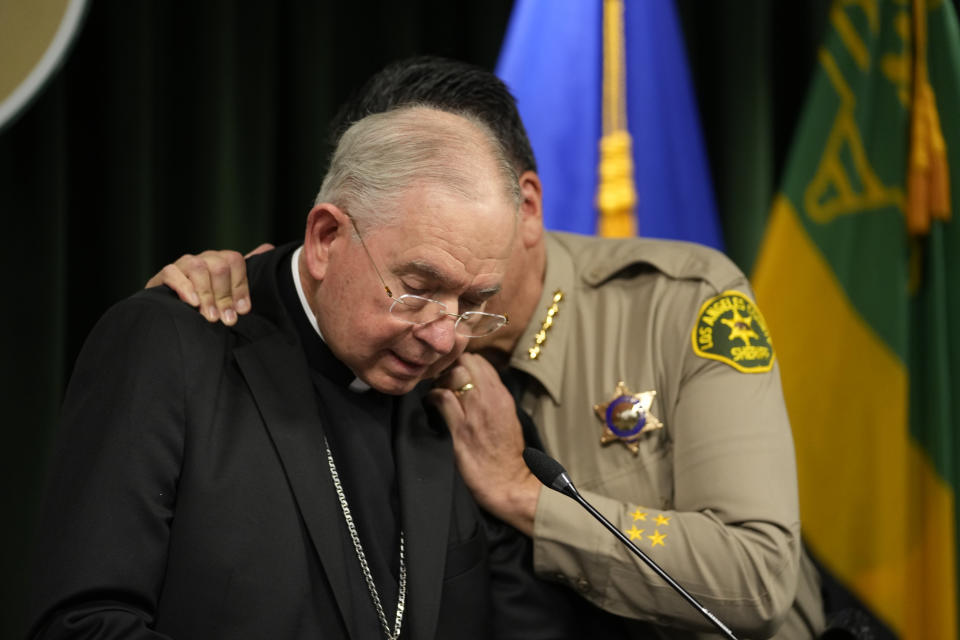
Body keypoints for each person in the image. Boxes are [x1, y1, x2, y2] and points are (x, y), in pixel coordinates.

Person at [149, 57, 826, 639]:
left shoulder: (679, 301)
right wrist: (230, 298)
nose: (440, 330)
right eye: (418, 280)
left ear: (525, 205)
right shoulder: (384, 335)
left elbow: (758, 578)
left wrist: (525, 497)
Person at [27, 105, 550, 640]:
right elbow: (81, 625)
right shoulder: (169, 348)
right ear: (326, 238)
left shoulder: (469, 399)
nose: (444, 337)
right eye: (417, 290)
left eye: (472, 302)